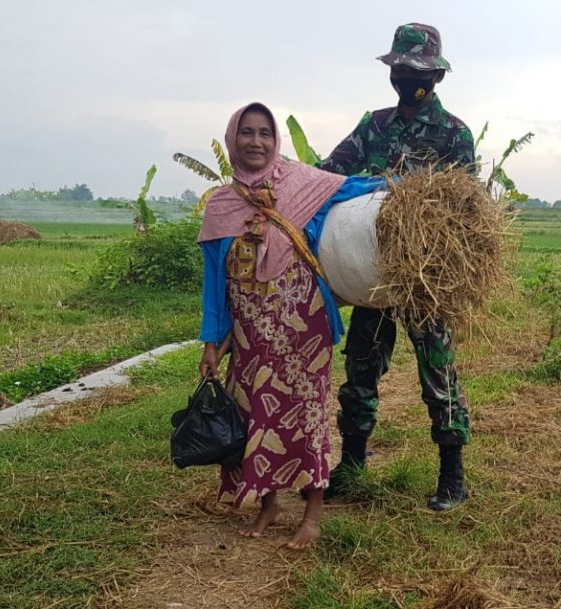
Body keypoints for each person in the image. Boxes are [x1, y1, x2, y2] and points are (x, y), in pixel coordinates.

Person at [197, 102, 383, 548]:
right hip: (249, 336)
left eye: (265, 132)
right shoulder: (220, 208)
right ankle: (269, 504)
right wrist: (211, 342)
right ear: (232, 139)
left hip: (304, 331)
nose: (256, 141)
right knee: (255, 415)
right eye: (247, 132)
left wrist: (410, 186)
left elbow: (354, 188)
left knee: (307, 416)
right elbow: (214, 285)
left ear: (275, 139)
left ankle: (313, 516)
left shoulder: (304, 186)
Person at [318, 23, 475, 511]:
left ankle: (452, 476)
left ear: (437, 76)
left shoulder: (453, 135)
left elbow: (468, 212)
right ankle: (353, 463)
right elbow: (329, 173)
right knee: (361, 368)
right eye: (400, 70)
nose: (407, 78)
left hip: (426, 281)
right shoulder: (375, 127)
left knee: (438, 372)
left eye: (416, 71)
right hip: (373, 273)